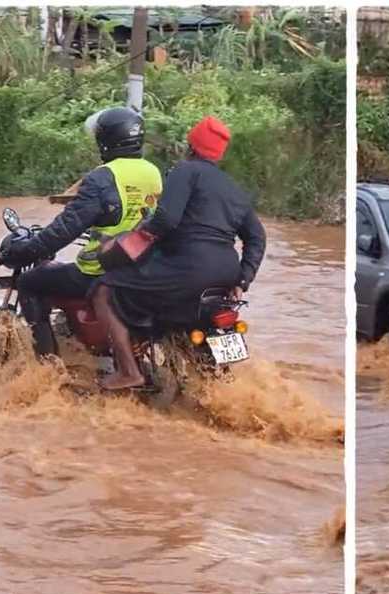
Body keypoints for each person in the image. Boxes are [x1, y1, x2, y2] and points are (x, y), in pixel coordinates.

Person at [92, 116, 266, 390]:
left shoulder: (186, 171)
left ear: (191, 146)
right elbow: (257, 238)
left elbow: (165, 221)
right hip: (224, 275)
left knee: (103, 289)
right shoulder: (234, 189)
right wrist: (242, 280)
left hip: (188, 268)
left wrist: (127, 243)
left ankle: (128, 371)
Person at [0, 107, 162, 358]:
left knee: (30, 283)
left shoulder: (103, 177)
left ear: (106, 140)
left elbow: (65, 229)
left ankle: (48, 365)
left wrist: (26, 249)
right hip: (142, 268)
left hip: (100, 270)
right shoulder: (153, 171)